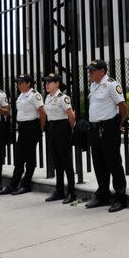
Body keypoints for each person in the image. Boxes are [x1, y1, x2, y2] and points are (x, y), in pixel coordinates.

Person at [84, 59, 128, 212]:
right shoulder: (94, 85)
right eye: (89, 70)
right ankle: (103, 194)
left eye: (92, 70)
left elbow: (123, 106)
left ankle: (120, 197)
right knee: (99, 162)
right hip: (95, 129)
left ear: (102, 71)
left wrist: (119, 124)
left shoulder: (111, 84)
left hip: (109, 128)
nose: (90, 73)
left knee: (113, 162)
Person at [0, 74, 45, 196]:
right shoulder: (21, 95)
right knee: (19, 157)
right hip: (23, 128)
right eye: (17, 82)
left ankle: (26, 185)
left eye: (21, 82)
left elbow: (42, 112)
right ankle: (13, 185)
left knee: (29, 158)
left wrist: (40, 128)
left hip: (32, 127)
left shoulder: (35, 95)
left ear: (28, 83)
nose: (18, 85)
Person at [43, 73, 77, 204]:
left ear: (57, 83)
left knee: (66, 161)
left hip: (62, 128)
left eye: (49, 82)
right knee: (56, 161)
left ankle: (72, 192)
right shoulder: (47, 97)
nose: (47, 85)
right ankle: (59, 191)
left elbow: (71, 115)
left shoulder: (63, 98)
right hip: (52, 128)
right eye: (46, 82)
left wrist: (70, 129)